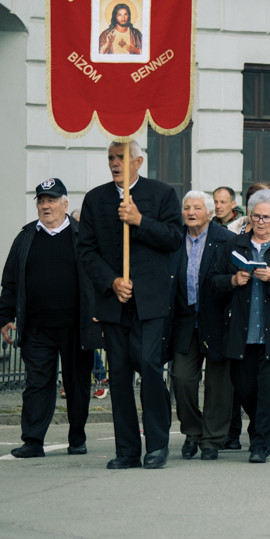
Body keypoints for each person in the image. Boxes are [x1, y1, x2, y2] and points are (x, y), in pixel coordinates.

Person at [77, 141, 184, 469]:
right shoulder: (95, 199)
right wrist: (112, 281)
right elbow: (87, 251)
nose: (114, 163)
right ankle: (126, 450)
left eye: (120, 157)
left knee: (150, 366)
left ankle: (157, 445)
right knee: (119, 374)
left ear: (138, 161)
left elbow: (173, 238)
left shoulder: (162, 193)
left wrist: (139, 220)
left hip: (150, 301)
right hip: (115, 302)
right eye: (110, 157)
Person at [0, 179, 99, 458]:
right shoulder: (26, 236)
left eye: (51, 200)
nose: (45, 205)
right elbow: (10, 281)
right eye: (41, 201)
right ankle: (32, 440)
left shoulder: (83, 235)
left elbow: (99, 277)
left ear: (65, 204)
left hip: (76, 327)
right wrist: (5, 316)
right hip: (37, 329)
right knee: (37, 385)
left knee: (77, 385)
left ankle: (77, 437)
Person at [209, 190, 270, 463]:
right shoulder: (234, 245)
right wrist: (232, 280)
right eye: (256, 216)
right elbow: (213, 281)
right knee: (244, 389)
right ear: (249, 216)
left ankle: (261, 444)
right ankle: (258, 427)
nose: (261, 221)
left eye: (267, 217)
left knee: (268, 390)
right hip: (241, 332)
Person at [169, 191, 236, 460]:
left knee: (218, 385)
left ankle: (212, 440)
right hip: (185, 320)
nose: (191, 212)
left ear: (210, 213)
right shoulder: (174, 239)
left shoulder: (227, 240)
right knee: (181, 379)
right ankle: (193, 431)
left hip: (218, 321)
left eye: (197, 207)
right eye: (186, 207)